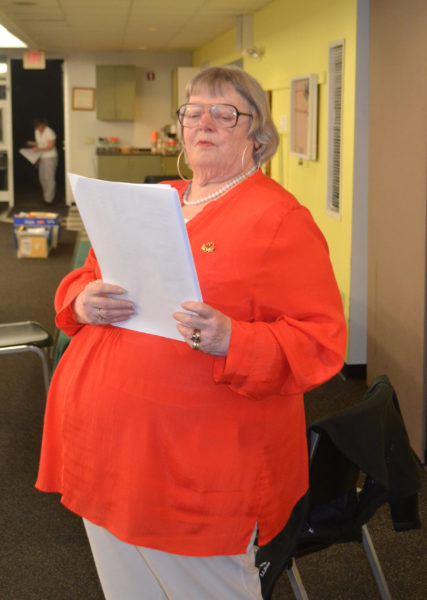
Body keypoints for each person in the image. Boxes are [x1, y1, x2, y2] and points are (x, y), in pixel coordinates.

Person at [36, 66, 347, 599]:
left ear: (258, 135)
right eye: (193, 111)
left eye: (225, 113)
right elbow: (84, 278)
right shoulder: (158, 198)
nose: (204, 122)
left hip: (192, 473)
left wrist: (235, 340)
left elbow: (319, 344)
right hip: (105, 452)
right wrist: (81, 301)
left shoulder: (279, 218)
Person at [26, 117, 58, 204]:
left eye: (40, 126)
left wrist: (38, 148)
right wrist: (32, 144)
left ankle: (49, 199)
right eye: (37, 127)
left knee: (49, 178)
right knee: (42, 177)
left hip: (50, 157)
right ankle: (46, 197)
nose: (38, 128)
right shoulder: (36, 132)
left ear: (43, 125)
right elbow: (40, 143)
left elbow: (50, 146)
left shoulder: (49, 132)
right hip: (42, 156)